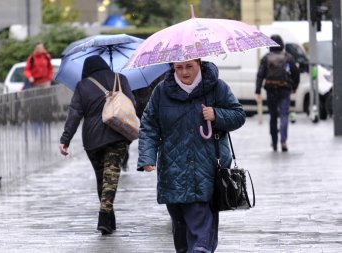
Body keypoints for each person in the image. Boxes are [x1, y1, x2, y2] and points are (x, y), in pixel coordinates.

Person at [137, 59, 246, 253]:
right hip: (172, 171)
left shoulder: (216, 87)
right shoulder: (161, 91)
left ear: (199, 63)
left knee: (202, 235)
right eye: (179, 67)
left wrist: (216, 114)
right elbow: (149, 126)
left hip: (207, 169)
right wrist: (147, 157)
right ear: (172, 67)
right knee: (181, 235)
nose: (184, 72)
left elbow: (238, 115)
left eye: (189, 66)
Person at [59, 55, 135, 235]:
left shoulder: (82, 86)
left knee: (102, 178)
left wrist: (65, 140)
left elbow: (75, 114)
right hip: (117, 134)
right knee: (111, 177)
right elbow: (133, 104)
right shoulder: (120, 79)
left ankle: (108, 220)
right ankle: (105, 216)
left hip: (92, 139)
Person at [255, 34, 300, 152]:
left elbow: (260, 75)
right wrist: (294, 86)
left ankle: (274, 142)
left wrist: (258, 90)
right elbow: (296, 73)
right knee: (284, 115)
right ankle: (283, 141)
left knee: (273, 116)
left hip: (271, 90)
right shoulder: (288, 57)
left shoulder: (266, 58)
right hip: (284, 88)